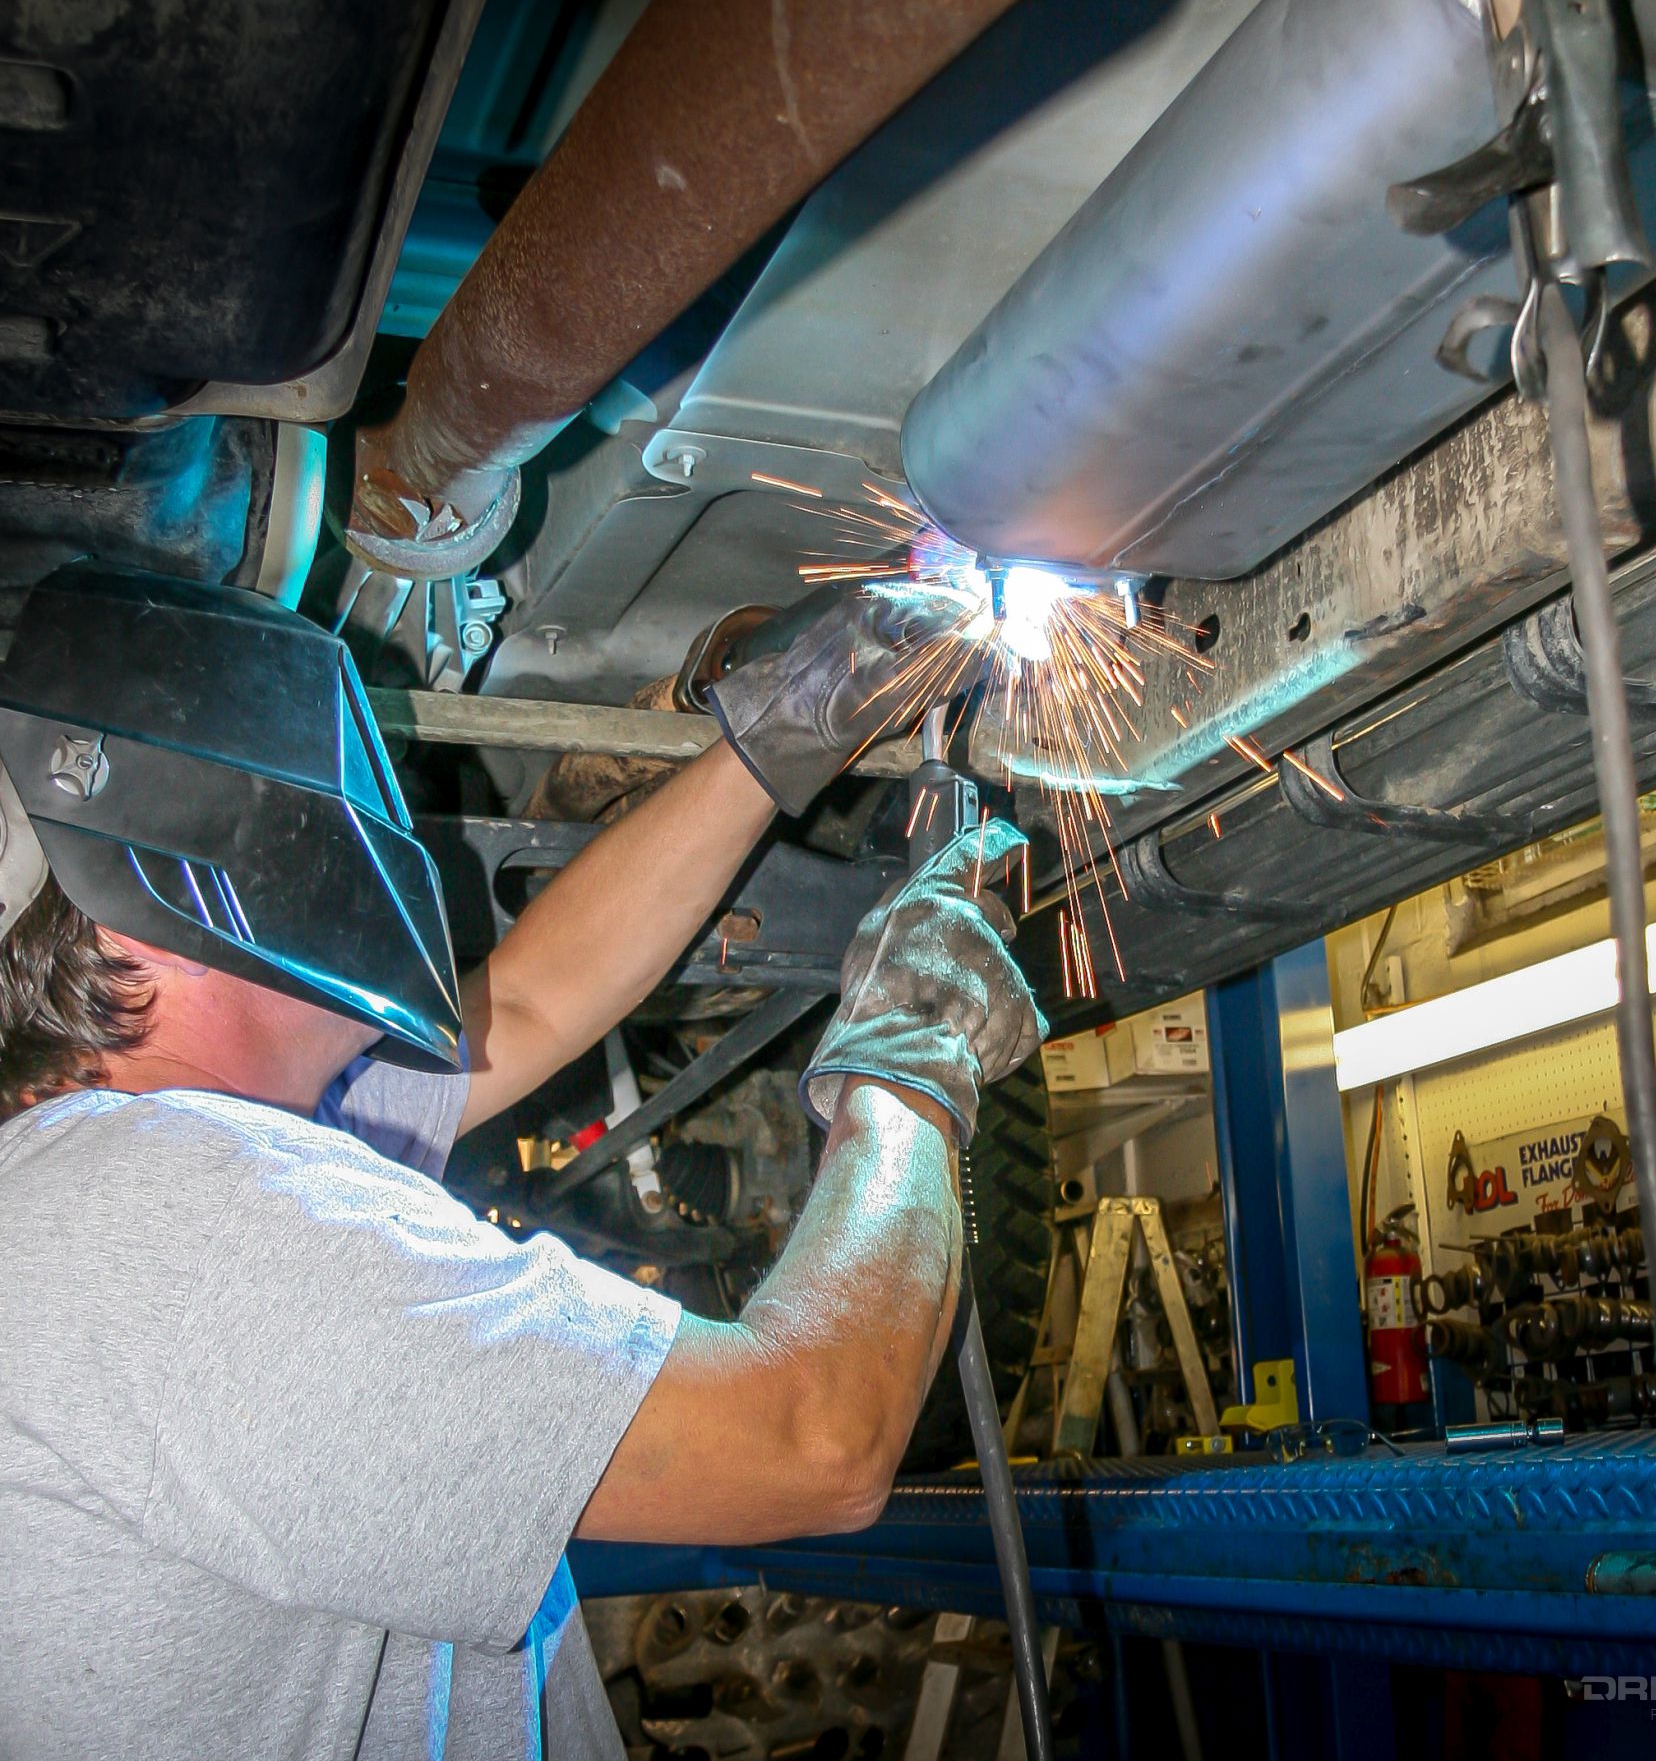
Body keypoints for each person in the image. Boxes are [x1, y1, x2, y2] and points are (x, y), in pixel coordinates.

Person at [0, 561, 1043, 1761]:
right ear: (164, 899)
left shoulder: (136, 1181)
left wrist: (769, 744)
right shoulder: (151, 1222)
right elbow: (814, 1440)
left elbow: (533, 1004)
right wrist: (910, 1068)